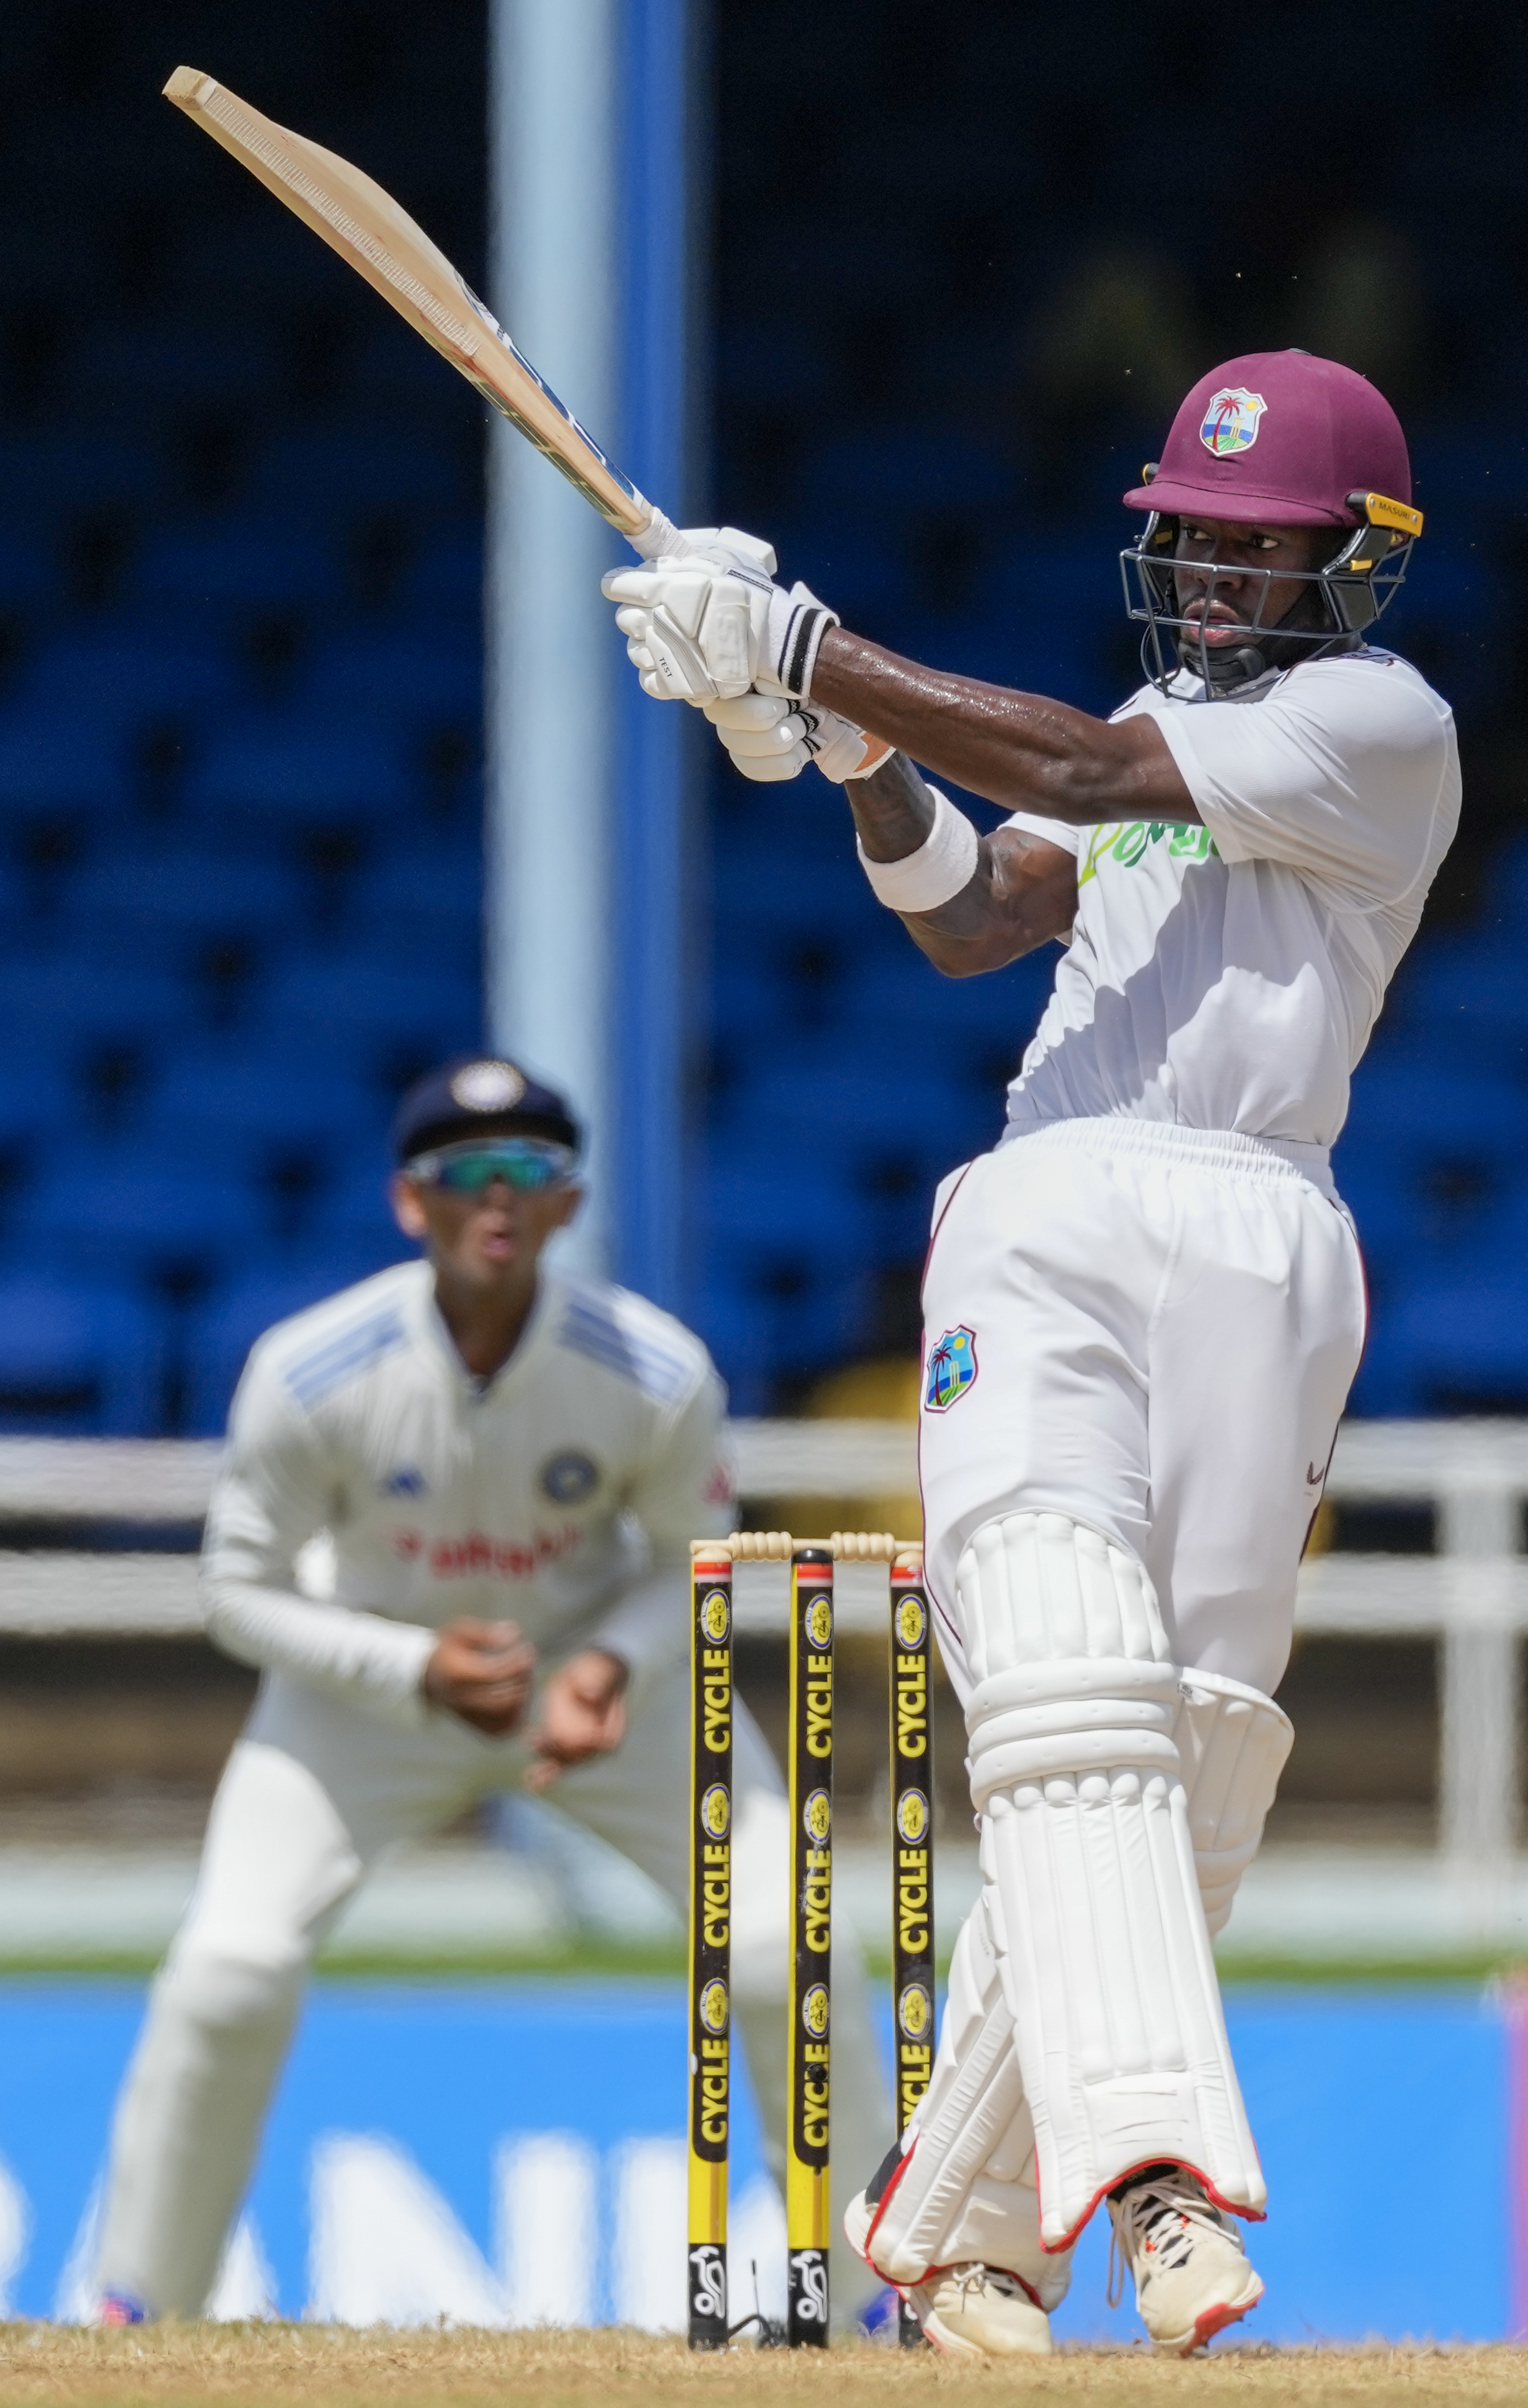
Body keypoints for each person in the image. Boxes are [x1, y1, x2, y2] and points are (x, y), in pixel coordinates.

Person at [603, 350, 1459, 2355]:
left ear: (1355, 564)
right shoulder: (1165, 726)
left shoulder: (1383, 724)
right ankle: (1158, 2181)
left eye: (1262, 549)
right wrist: (845, 751)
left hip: (1267, 1228)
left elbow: (1070, 776)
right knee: (1071, 1685)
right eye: (1199, 541)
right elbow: (979, 915)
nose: (1220, 579)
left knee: (1195, 1753)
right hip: (1056, 1199)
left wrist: (807, 650)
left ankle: (961, 2227)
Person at [94, 1055, 890, 2326]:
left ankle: (869, 2308)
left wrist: (605, 1667)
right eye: (465, 1172)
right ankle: (139, 2312)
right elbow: (237, 1593)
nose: (498, 1195)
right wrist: (411, 1668)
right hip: (367, 1690)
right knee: (228, 1973)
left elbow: (695, 1563)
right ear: (410, 1202)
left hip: (601, 1685)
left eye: (529, 1168)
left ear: (570, 1200)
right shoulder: (312, 1371)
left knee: (787, 1952)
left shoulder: (655, 1371)